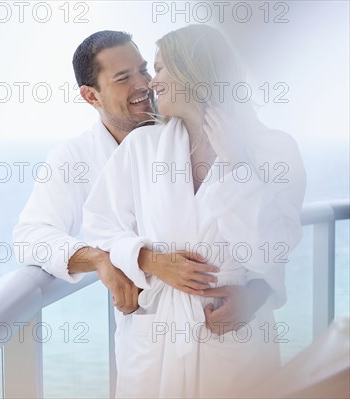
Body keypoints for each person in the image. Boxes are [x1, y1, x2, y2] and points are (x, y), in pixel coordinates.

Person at [82, 25, 306, 398]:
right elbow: (100, 223)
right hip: (155, 339)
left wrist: (237, 167)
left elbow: (273, 247)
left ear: (195, 69)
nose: (151, 83)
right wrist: (147, 259)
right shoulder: (143, 146)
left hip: (231, 334)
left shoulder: (273, 150)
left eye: (160, 68)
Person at [13, 30, 276, 332]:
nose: (144, 84)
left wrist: (255, 295)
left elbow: (268, 237)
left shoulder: (200, 135)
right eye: (123, 78)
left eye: (144, 69)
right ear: (91, 95)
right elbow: (30, 237)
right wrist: (104, 259)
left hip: (224, 325)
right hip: (149, 328)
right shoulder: (75, 157)